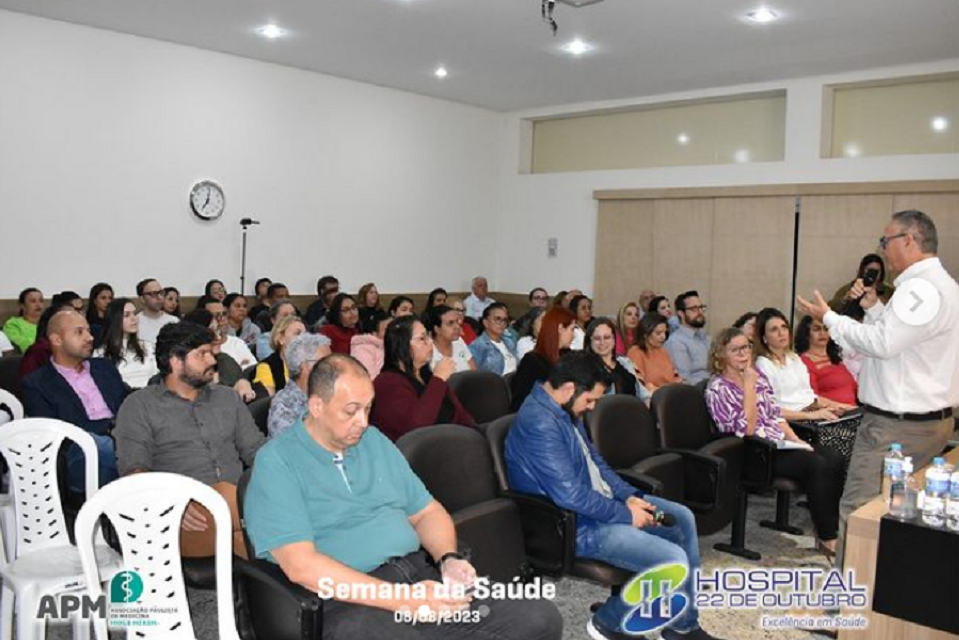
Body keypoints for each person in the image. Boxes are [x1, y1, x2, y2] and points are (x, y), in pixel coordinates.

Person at [244, 354, 563, 640]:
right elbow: (301, 566)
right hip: (348, 598)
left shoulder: (373, 441)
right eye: (351, 411)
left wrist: (448, 559)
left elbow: (426, 512)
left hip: (416, 573)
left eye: (368, 408)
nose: (363, 422)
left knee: (539, 618)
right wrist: (403, 600)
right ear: (316, 406)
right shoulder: (278, 462)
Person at [507, 351, 724, 640]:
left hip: (599, 506)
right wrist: (625, 514)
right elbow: (570, 496)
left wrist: (628, 496)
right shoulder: (539, 422)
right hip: (574, 524)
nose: (592, 406)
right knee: (672, 561)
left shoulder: (564, 408)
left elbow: (595, 463)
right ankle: (608, 622)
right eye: (591, 400)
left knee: (681, 518)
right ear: (570, 388)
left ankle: (682, 626)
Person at [797, 210, 958, 562]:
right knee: (895, 514)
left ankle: (851, 593)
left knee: (859, 512)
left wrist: (830, 318)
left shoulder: (919, 287)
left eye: (886, 240)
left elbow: (884, 344)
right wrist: (872, 307)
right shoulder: (943, 285)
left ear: (909, 241)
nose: (883, 249)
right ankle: (879, 587)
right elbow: (902, 339)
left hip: (896, 428)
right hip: (926, 421)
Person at [114, 321, 266, 557]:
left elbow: (256, 451)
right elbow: (134, 472)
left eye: (211, 352)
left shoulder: (227, 398)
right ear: (176, 361)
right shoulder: (139, 406)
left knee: (248, 540)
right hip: (182, 518)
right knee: (238, 502)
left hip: (236, 510)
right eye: (202, 354)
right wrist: (172, 502)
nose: (212, 360)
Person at [706, 328, 843, 559]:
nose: (743, 353)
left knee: (833, 457)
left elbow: (774, 415)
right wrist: (748, 387)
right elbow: (747, 430)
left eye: (746, 347)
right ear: (721, 355)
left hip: (777, 443)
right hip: (751, 451)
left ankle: (831, 528)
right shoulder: (718, 388)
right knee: (817, 464)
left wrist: (796, 440)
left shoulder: (756, 377)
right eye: (735, 350)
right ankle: (828, 537)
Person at [21, 310, 127, 491]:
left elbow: (126, 404)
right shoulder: (37, 383)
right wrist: (110, 428)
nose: (90, 337)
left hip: (123, 437)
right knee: (100, 445)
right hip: (78, 449)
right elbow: (54, 433)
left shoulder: (105, 367)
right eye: (79, 332)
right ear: (57, 340)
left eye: (89, 331)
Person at [371, 316, 475, 441]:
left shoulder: (426, 375)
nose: (430, 342)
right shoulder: (387, 383)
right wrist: (438, 379)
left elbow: (460, 414)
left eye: (428, 336)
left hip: (453, 441)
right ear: (402, 345)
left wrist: (476, 433)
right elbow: (416, 428)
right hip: (418, 450)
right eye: (422, 338)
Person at [753, 308, 855, 421]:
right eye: (774, 329)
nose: (781, 333)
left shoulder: (794, 359)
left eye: (784, 327)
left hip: (811, 414)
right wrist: (811, 415)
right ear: (764, 338)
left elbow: (811, 398)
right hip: (790, 421)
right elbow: (768, 410)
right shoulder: (762, 364)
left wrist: (843, 407)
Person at [180, 309, 256, 402]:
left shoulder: (224, 359)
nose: (218, 337)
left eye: (218, 330)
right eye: (211, 332)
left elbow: (238, 383)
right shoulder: (182, 366)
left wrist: (242, 383)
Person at [510, 307, 575, 412]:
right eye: (572, 329)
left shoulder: (567, 355)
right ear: (560, 329)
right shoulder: (532, 362)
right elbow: (520, 403)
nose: (574, 335)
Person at [268, 333, 332, 437]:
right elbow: (292, 445)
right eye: (327, 363)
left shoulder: (330, 395)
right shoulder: (283, 407)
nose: (333, 369)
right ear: (306, 367)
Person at [794, 315, 858, 407]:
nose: (822, 333)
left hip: (854, 410)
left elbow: (853, 387)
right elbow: (812, 399)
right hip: (830, 413)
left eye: (826, 329)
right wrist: (845, 408)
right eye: (816, 329)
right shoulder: (804, 362)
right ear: (806, 334)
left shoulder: (835, 358)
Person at [94, 298, 158, 389]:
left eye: (134, 313)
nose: (134, 318)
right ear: (115, 319)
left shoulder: (148, 346)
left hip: (150, 393)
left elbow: (157, 376)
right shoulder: (101, 353)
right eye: (126, 315)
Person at [585, 318, 651, 403]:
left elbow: (643, 394)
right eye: (597, 338)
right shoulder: (584, 368)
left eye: (607, 337)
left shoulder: (625, 363)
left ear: (614, 340)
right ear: (590, 341)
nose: (602, 342)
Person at [828, 253, 896, 319]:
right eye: (870, 270)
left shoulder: (888, 291)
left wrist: (878, 302)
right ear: (863, 270)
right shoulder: (850, 288)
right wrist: (846, 298)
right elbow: (833, 308)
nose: (873, 274)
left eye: (876, 271)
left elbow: (894, 315)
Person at [664, 291, 711, 385]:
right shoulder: (676, 342)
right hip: (697, 390)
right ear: (681, 313)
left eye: (701, 307)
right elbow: (684, 380)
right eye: (694, 309)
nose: (700, 312)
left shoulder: (705, 337)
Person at [627, 312, 682, 393]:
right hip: (653, 397)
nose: (663, 337)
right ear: (646, 334)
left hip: (671, 394)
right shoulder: (635, 352)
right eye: (658, 333)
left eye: (665, 332)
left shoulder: (663, 351)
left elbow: (676, 377)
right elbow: (639, 386)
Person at [254, 315, 306, 397]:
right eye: (297, 333)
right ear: (281, 338)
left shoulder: (312, 365)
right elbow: (268, 402)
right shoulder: (266, 367)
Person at [200, 297, 257, 369]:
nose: (222, 319)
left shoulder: (237, 342)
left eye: (224, 314)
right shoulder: (199, 347)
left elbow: (252, 368)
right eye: (216, 315)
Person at [469, 304, 518, 376]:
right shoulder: (477, 346)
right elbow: (474, 375)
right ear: (485, 322)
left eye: (505, 320)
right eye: (498, 319)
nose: (502, 323)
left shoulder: (509, 342)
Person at [427, 305, 476, 373]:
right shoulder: (428, 352)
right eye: (450, 323)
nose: (457, 326)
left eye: (457, 321)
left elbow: (474, 371)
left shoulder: (459, 341)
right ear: (437, 329)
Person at [136, 278, 178, 344]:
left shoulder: (174, 321)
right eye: (154, 294)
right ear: (142, 299)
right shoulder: (135, 323)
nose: (159, 297)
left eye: (161, 293)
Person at [351, 310, 391, 379]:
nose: (392, 332)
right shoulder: (362, 349)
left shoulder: (394, 346)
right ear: (374, 332)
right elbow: (367, 378)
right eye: (387, 329)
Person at [3, 287, 44, 352]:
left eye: (41, 301)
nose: (38, 305)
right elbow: (22, 344)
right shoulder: (12, 324)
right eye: (33, 301)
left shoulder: (50, 322)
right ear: (22, 305)